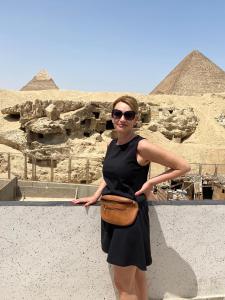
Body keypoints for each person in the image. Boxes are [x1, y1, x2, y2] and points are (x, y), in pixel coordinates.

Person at [71, 95, 191, 300]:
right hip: (113, 214)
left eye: (128, 115)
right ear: (112, 116)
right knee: (137, 276)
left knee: (123, 285)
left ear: (136, 119)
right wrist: (95, 195)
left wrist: (151, 182)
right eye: (117, 113)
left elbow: (183, 166)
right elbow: (110, 176)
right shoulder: (112, 144)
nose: (122, 119)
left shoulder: (141, 146)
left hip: (131, 219)